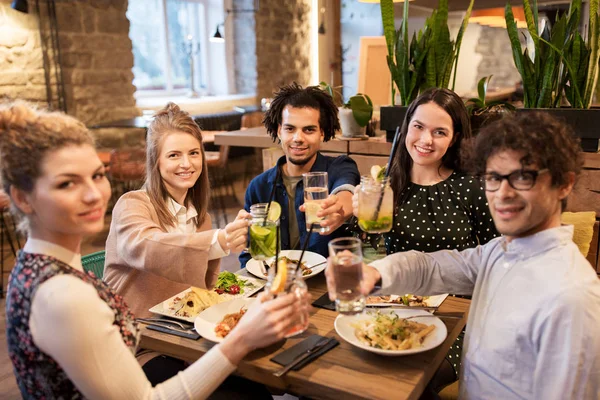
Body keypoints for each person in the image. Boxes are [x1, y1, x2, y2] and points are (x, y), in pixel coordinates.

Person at [2, 101, 307, 399]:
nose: (94, 194)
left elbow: (199, 289)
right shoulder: (64, 293)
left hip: (179, 338)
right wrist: (240, 338)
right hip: (150, 347)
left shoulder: (44, 267)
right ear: (23, 198)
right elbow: (145, 245)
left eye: (97, 176)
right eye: (67, 183)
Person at [329, 111, 600, 399]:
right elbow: (430, 267)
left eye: (523, 177)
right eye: (494, 178)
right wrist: (375, 272)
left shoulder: (571, 298)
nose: (502, 193)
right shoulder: (502, 251)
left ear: (564, 184)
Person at [104, 103, 250, 319]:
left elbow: (200, 288)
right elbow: (146, 246)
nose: (186, 163)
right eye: (173, 155)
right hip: (135, 332)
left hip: (180, 325)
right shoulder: (132, 205)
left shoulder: (201, 218)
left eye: (193, 153)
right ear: (156, 161)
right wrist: (219, 240)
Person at [353, 88, 498, 255]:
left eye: (439, 132)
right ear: (407, 127)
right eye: (418, 126)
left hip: (457, 281)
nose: (426, 140)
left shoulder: (471, 186)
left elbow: (497, 252)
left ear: (454, 139)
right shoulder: (386, 182)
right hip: (398, 280)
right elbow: (368, 247)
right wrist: (361, 217)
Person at [241, 82, 360, 267]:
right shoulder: (259, 187)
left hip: (328, 285)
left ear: (322, 132)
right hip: (275, 285)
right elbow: (250, 253)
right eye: (290, 129)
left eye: (309, 130)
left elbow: (346, 191)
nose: (298, 138)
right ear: (279, 130)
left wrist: (338, 211)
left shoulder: (340, 167)